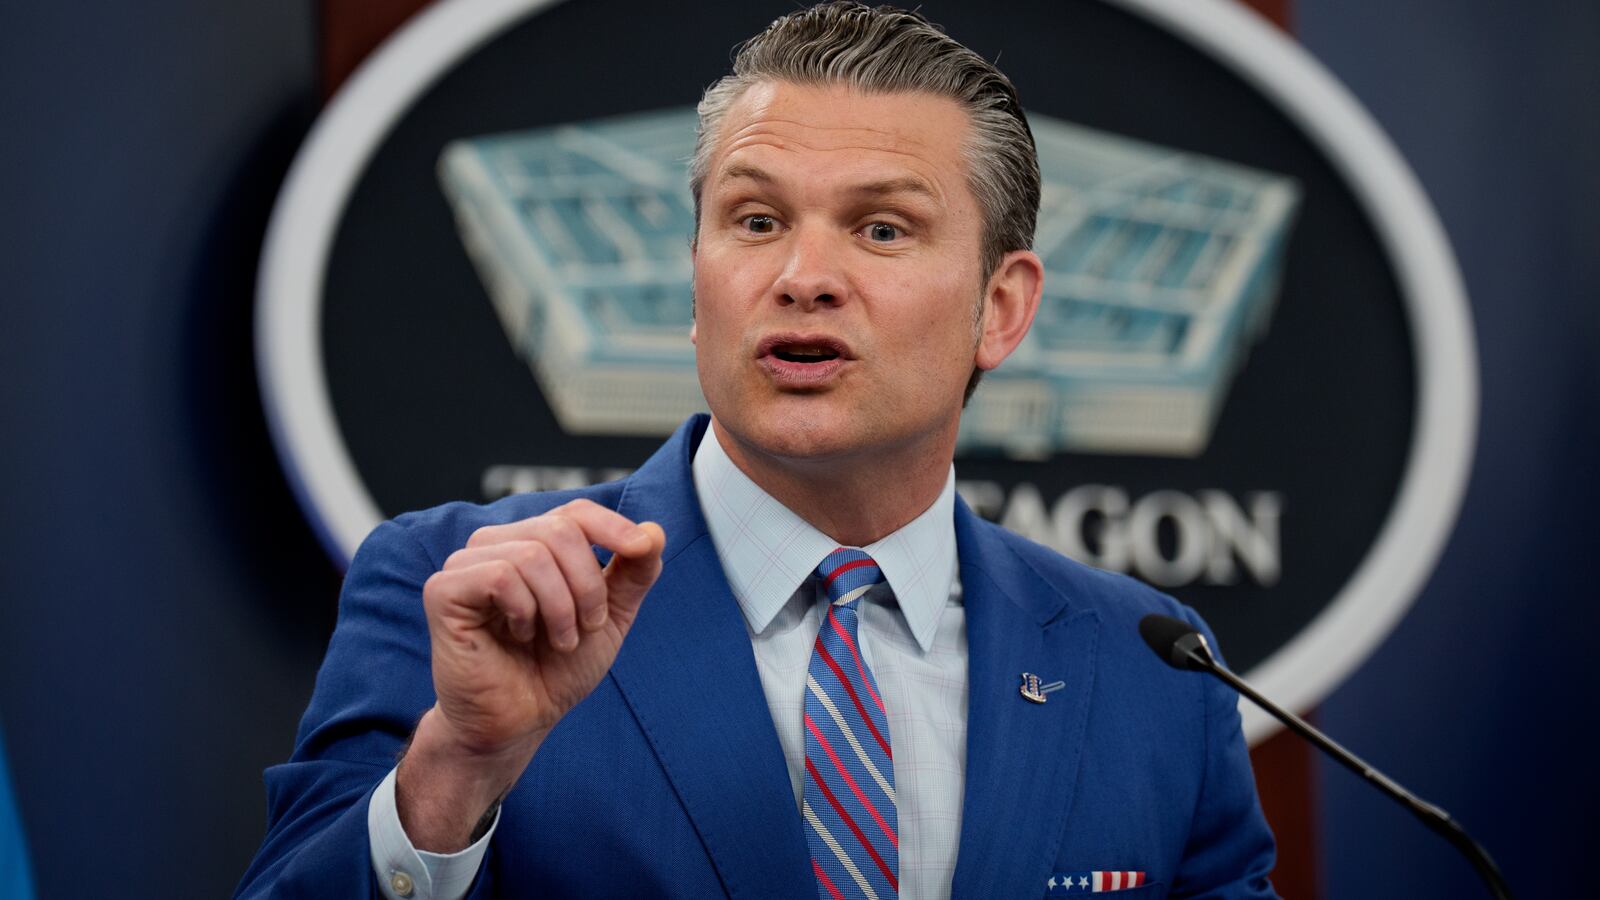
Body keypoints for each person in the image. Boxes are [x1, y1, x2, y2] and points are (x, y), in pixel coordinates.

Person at [237, 3, 1278, 898]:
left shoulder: (1150, 670)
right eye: (756, 219)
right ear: (696, 286)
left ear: (999, 309)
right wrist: (458, 769)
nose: (801, 276)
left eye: (881, 229)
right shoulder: (457, 588)